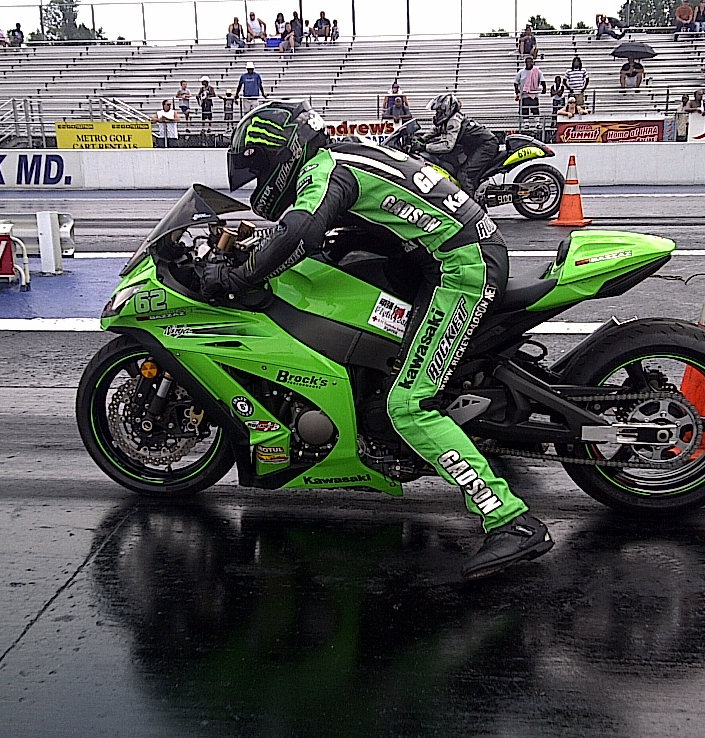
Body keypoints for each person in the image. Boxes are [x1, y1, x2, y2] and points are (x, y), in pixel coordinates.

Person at [205, 99, 554, 580]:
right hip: (444, 256)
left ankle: (510, 521)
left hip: (461, 267)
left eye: (257, 168)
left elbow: (301, 231)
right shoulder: (343, 157)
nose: (258, 181)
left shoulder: (324, 171)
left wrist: (236, 278)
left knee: (408, 404)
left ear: (279, 154)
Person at [421, 93, 499, 197]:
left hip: (486, 146)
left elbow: (448, 146)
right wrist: (421, 139)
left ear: (447, 109)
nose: (437, 114)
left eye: (439, 111)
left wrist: (425, 147)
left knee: (464, 174)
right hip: (476, 146)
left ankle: (473, 206)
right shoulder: (449, 119)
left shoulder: (454, 121)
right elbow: (435, 130)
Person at [514, 56, 546, 130]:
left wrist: (544, 88)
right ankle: (526, 123)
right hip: (525, 94)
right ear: (525, 63)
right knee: (525, 109)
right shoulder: (521, 72)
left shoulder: (537, 71)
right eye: (527, 62)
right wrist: (517, 90)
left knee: (535, 109)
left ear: (533, 62)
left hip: (534, 94)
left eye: (530, 62)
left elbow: (542, 80)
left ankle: (537, 123)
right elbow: (516, 82)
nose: (529, 63)